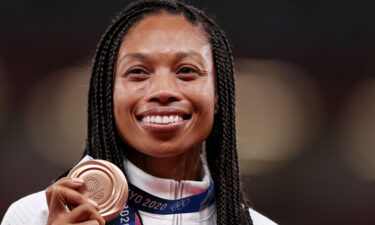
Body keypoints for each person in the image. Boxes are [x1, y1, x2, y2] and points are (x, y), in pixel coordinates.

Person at [1, 1, 277, 225]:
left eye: (187, 71)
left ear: (218, 95)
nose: (163, 90)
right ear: (107, 95)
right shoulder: (35, 216)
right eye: (137, 72)